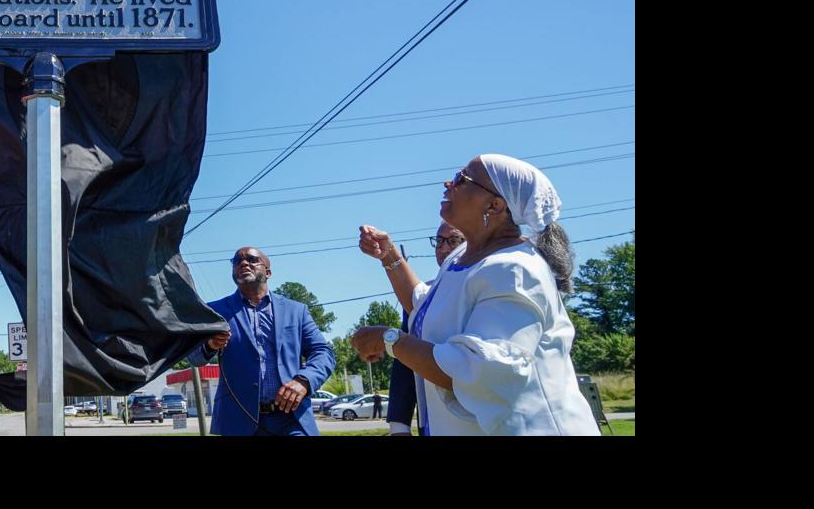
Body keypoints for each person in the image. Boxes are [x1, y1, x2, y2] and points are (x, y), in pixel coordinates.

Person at [352, 154, 598, 436]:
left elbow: (480, 371)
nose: (448, 183)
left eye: (461, 179)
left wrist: (389, 338)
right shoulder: (460, 258)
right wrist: (390, 257)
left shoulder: (515, 270)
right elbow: (423, 307)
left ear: (495, 205)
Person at [190, 247, 336, 436]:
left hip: (292, 418)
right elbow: (194, 356)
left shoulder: (296, 311)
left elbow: (323, 352)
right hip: (240, 420)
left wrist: (304, 380)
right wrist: (210, 346)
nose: (243, 263)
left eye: (252, 259)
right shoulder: (215, 311)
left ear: (268, 272)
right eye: (237, 261)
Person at [381, 223, 463, 435]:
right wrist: (399, 426)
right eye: (439, 241)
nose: (444, 248)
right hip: (432, 424)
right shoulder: (421, 295)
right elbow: (405, 361)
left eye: (453, 241)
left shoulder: (488, 287)